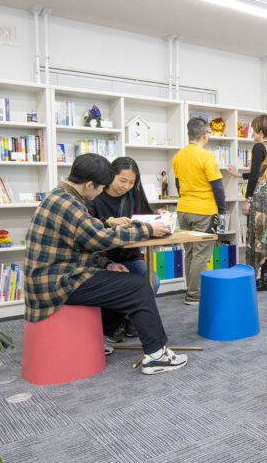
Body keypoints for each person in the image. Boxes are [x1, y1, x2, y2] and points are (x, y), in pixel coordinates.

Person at [24, 153, 187, 375]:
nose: (101, 191)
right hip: (58, 282)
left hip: (58, 275)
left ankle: (99, 338)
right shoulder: (69, 204)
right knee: (138, 286)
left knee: (126, 280)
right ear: (89, 184)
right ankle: (157, 355)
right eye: (101, 187)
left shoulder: (60, 196)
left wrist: (107, 264)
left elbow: (81, 244)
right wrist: (147, 229)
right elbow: (99, 238)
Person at [87, 156, 160, 343]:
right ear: (111, 176)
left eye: (131, 182)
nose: (126, 186)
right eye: (122, 180)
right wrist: (110, 221)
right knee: (121, 285)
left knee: (153, 281)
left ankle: (127, 320)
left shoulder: (133, 194)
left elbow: (146, 219)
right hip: (102, 259)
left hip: (130, 255)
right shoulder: (95, 195)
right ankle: (113, 324)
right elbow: (89, 228)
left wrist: (158, 216)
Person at [173, 117, 226, 305]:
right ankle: (194, 294)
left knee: (189, 252)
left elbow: (178, 186)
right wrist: (222, 211)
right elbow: (218, 188)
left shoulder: (178, 156)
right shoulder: (207, 156)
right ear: (206, 135)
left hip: (183, 209)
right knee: (201, 254)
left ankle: (190, 290)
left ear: (188, 133)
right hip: (204, 210)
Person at [227, 114, 267, 291]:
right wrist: (238, 175)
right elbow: (261, 173)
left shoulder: (258, 147)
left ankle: (263, 280)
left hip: (258, 200)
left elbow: (255, 177)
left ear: (261, 131)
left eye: (254, 130)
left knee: (259, 237)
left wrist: (247, 200)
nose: (253, 134)